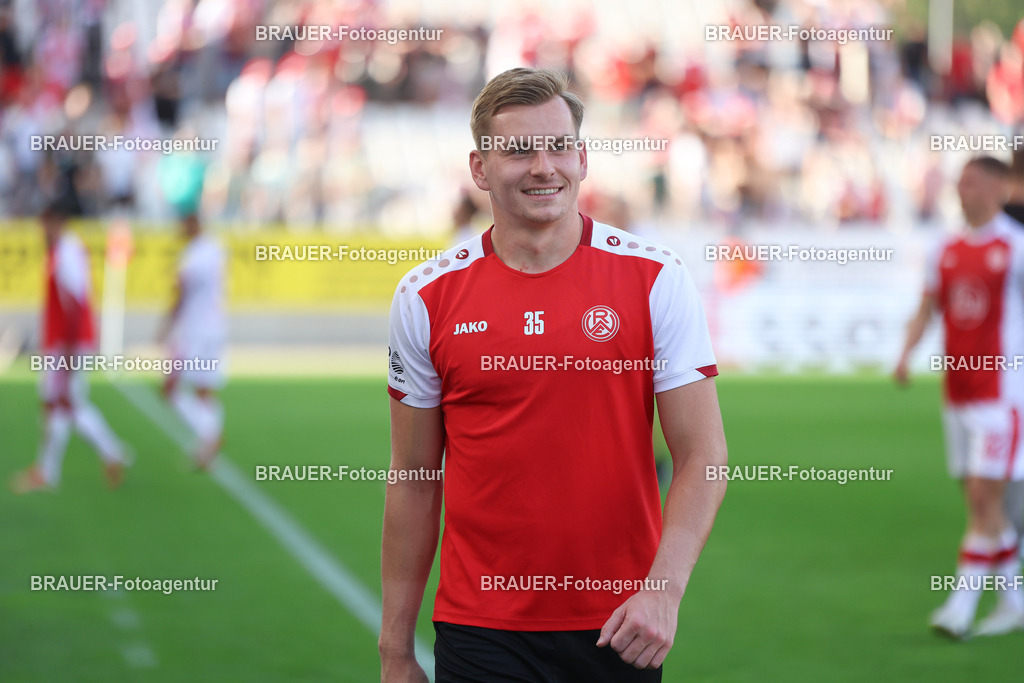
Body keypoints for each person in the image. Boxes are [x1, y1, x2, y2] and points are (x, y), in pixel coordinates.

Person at [380, 67, 728, 682]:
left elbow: (704, 456)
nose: (544, 166)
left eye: (558, 146)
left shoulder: (655, 279)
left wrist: (664, 591)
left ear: (583, 157)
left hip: (621, 626)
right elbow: (413, 479)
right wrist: (395, 650)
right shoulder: (425, 297)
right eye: (518, 150)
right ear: (480, 168)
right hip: (479, 629)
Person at [895, 156, 1024, 638]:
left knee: (982, 500)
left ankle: (960, 607)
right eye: (960, 182)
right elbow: (927, 307)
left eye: (971, 182)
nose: (961, 190)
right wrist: (906, 353)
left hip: (1003, 397)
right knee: (982, 504)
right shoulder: (944, 248)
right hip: (958, 395)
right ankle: (1013, 603)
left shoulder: (1015, 246)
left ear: (999, 188)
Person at [10, 200, 129, 493]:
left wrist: (71, 349)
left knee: (63, 403)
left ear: (59, 221)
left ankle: (107, 453)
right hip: (63, 342)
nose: (42, 229)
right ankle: (61, 466)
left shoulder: (66, 252)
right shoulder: (63, 250)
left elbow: (76, 302)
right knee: (61, 404)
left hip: (67, 344)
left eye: (46, 222)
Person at [158, 211, 226, 470]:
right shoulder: (216, 248)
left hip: (194, 331)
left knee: (170, 389)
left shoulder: (192, 257)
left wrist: (166, 326)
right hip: (216, 327)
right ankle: (206, 447)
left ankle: (210, 435)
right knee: (204, 389)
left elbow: (180, 293)